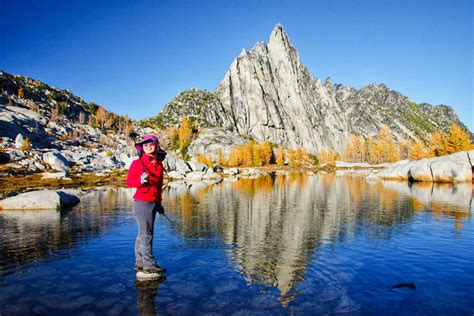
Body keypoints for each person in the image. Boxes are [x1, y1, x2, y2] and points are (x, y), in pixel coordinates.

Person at [127, 134, 167, 279]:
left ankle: (139, 262)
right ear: (142, 148)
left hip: (153, 202)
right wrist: (140, 180)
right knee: (147, 233)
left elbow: (159, 186)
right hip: (141, 203)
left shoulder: (158, 164)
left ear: (156, 146)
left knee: (143, 233)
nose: (148, 146)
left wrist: (159, 203)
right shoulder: (138, 163)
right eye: (145, 145)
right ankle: (149, 265)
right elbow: (129, 182)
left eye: (151, 144)